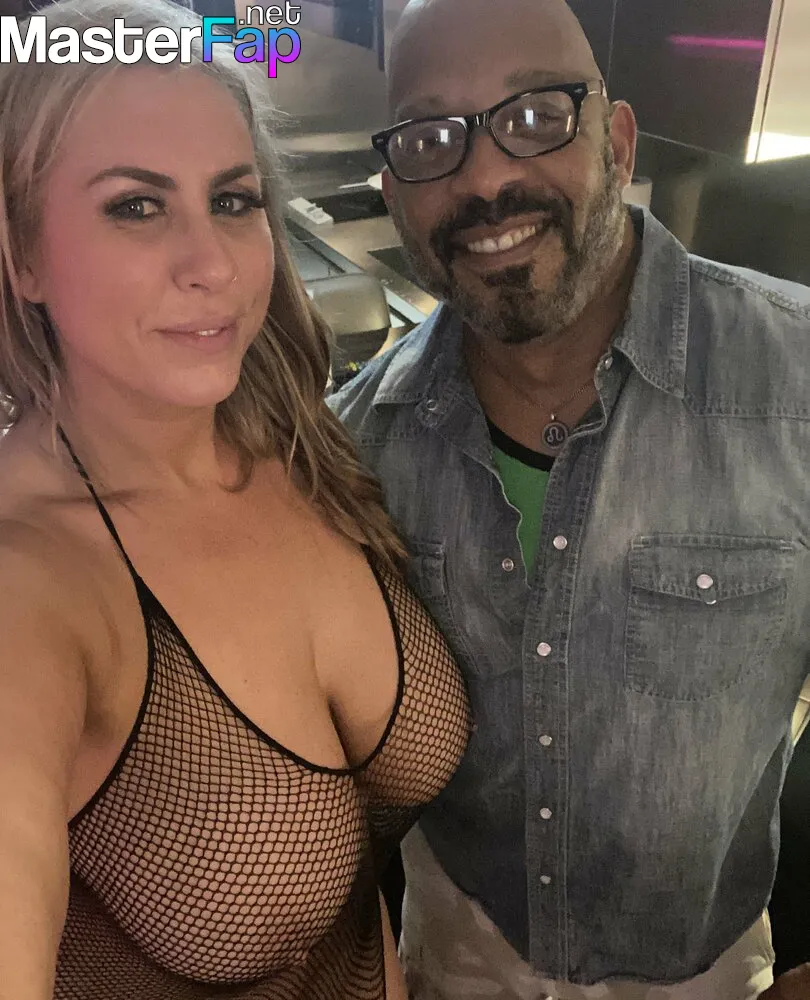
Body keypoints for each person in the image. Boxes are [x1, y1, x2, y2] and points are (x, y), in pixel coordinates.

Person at [328, 0, 810, 997]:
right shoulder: (356, 447)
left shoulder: (795, 387)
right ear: (393, 191)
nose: (484, 178)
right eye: (430, 139)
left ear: (617, 144)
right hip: (449, 964)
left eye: (535, 116)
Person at [0, 1, 471, 998]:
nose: (211, 263)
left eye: (232, 198)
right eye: (136, 206)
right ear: (24, 255)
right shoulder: (29, 585)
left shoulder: (304, 442)